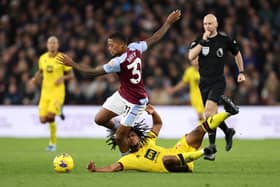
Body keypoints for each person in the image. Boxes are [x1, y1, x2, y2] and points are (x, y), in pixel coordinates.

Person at [56, 10, 181, 155]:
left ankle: (125, 160)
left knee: (120, 136)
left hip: (136, 101)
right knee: (99, 119)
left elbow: (93, 72)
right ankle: (123, 127)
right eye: (108, 45)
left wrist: (73, 64)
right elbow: (155, 38)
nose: (109, 48)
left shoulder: (118, 62)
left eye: (112, 45)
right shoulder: (135, 47)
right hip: (123, 95)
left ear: (122, 46)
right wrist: (168, 23)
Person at [87, 95, 239, 173]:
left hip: (178, 151)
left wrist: (153, 113)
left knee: (197, 131)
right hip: (176, 164)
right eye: (128, 137)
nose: (131, 137)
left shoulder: (147, 141)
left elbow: (158, 124)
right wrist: (96, 169)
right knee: (167, 159)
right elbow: (113, 167)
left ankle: (229, 112)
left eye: (133, 135)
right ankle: (204, 152)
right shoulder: (129, 159)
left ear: (138, 136)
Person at [188, 13, 246, 160]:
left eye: (210, 24)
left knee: (207, 114)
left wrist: (241, 72)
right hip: (203, 83)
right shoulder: (200, 40)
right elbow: (191, 56)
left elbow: (237, 54)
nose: (207, 26)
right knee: (210, 116)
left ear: (216, 24)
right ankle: (227, 132)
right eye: (205, 24)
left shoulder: (224, 40)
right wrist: (203, 41)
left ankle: (212, 148)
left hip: (218, 81)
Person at [29, 36, 74, 151]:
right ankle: (58, 111)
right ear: (47, 45)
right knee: (43, 120)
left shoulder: (62, 58)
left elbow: (71, 75)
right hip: (45, 93)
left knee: (50, 116)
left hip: (57, 93)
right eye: (50, 43)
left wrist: (62, 78)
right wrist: (34, 79)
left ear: (58, 45)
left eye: (54, 43)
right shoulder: (42, 58)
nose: (52, 45)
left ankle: (52, 144)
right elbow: (40, 71)